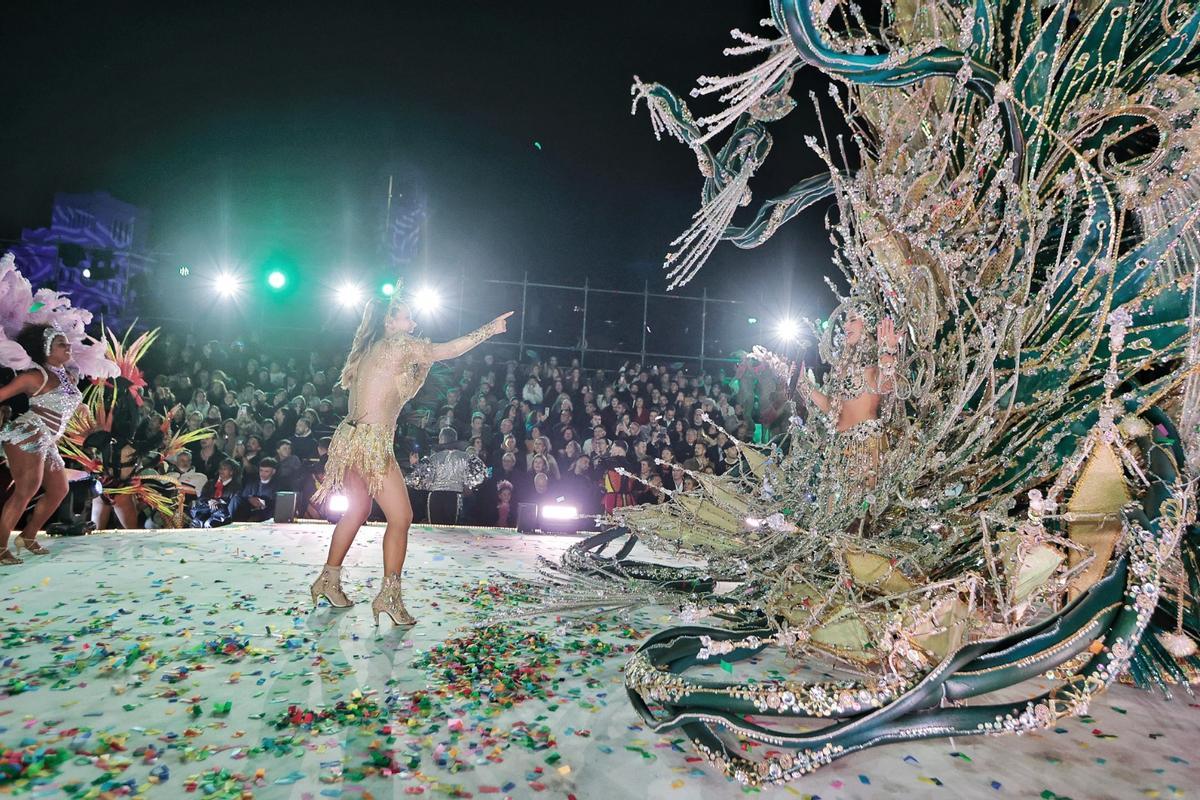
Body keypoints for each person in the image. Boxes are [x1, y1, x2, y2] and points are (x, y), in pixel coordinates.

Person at [309, 287, 511, 625]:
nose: (413, 322)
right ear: (390, 321)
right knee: (401, 517)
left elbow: (401, 390)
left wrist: (421, 366)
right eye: (407, 317)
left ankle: (328, 580)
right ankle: (389, 597)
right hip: (371, 442)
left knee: (358, 509)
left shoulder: (369, 350)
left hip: (348, 438)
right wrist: (490, 329)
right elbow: (450, 349)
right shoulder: (399, 345)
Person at [0, 324, 84, 563]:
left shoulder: (67, 376)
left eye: (67, 342)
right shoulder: (35, 376)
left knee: (59, 489)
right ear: (46, 350)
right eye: (61, 344)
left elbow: (64, 406)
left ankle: (27, 536)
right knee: (27, 489)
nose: (68, 346)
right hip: (27, 433)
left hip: (47, 439)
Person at [406, 427, 488, 524]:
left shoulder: (433, 458)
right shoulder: (465, 456)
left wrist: (415, 465)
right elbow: (482, 473)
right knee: (451, 530)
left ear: (441, 439)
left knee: (436, 529)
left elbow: (419, 479)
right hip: (454, 497)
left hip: (435, 498)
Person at [226, 457, 280, 523]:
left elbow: (276, 504)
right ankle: (227, 521)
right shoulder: (252, 482)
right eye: (261, 470)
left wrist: (263, 502)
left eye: (266, 471)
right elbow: (243, 496)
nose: (262, 474)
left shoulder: (277, 486)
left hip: (265, 511)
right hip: (248, 509)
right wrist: (249, 499)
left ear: (273, 472)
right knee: (236, 498)